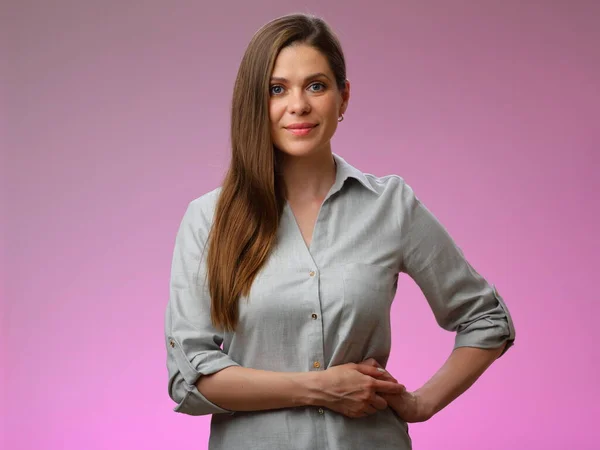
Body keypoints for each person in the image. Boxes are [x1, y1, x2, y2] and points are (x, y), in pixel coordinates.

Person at [164, 12, 515, 450]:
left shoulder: (390, 206)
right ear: (255, 102)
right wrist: (320, 387)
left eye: (316, 85)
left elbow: (486, 319)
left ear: (343, 97)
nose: (298, 105)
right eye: (277, 89)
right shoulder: (208, 219)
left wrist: (422, 404)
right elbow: (189, 377)